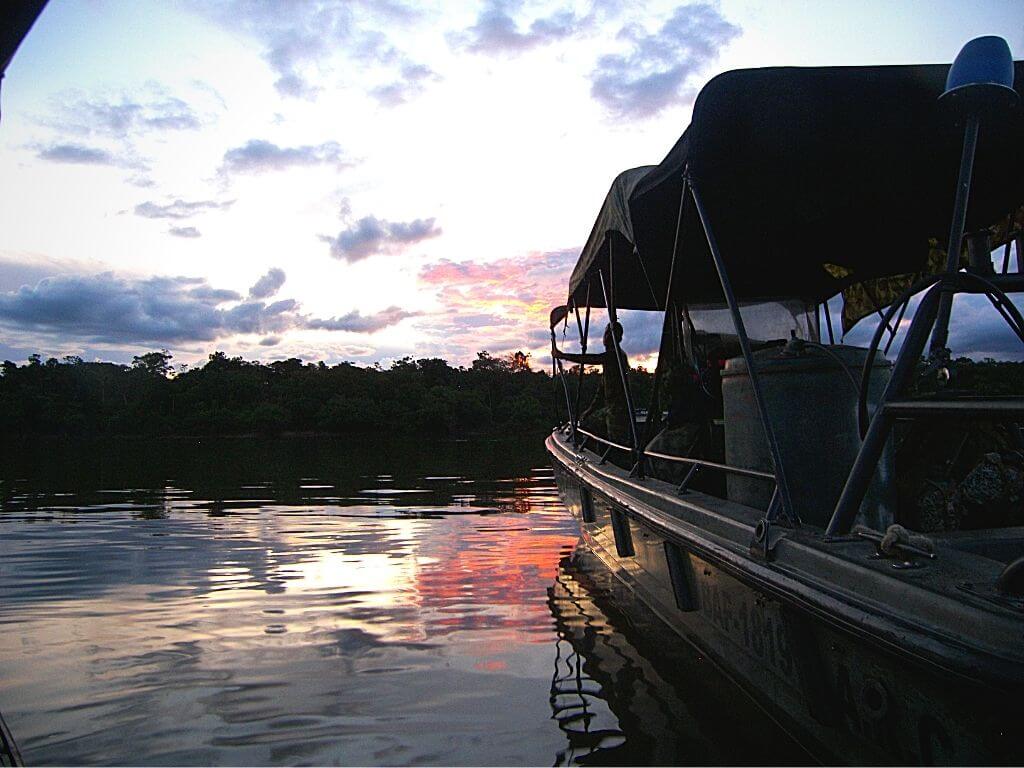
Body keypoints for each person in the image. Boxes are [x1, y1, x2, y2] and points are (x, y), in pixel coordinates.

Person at [552, 322, 632, 446]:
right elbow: (601, 391)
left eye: (609, 334)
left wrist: (562, 355)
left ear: (618, 338)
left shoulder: (615, 355)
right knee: (588, 421)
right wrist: (589, 411)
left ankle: (613, 458)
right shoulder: (611, 358)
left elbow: (591, 358)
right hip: (611, 408)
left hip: (618, 410)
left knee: (617, 442)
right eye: (606, 334)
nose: (606, 338)